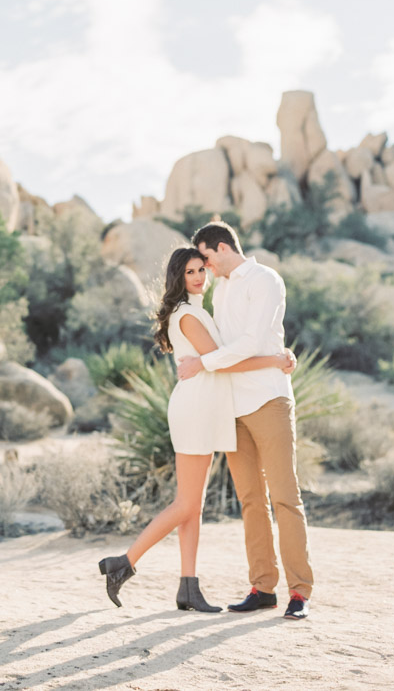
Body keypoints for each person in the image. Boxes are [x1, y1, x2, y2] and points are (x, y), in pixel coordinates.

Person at [98, 247, 296, 611]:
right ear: (178, 277)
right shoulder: (188, 314)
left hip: (204, 408)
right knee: (186, 503)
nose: (199, 277)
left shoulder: (196, 311)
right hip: (195, 409)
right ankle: (123, 564)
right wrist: (276, 360)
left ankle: (188, 587)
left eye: (201, 269)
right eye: (190, 272)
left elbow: (218, 359)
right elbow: (222, 364)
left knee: (194, 505)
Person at [177, 221, 314, 621]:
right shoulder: (220, 289)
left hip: (269, 399)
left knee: (285, 497)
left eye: (204, 257)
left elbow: (252, 342)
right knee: (251, 500)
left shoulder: (265, 279)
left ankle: (299, 592)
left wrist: (203, 363)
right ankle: (263, 587)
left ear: (220, 248)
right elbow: (224, 343)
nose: (203, 268)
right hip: (232, 406)